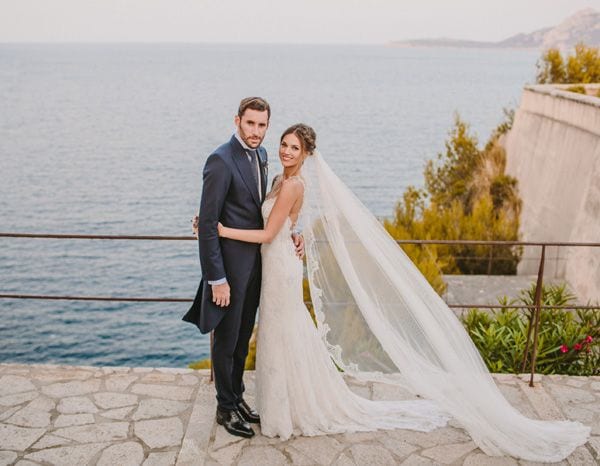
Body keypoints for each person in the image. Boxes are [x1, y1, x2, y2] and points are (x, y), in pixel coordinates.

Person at [216, 123, 591, 462]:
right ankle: (282, 404)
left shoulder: (295, 184)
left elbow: (267, 233)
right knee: (281, 332)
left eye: (294, 148)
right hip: (278, 259)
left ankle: (289, 409)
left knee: (285, 330)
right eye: (283, 144)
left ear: (307, 154)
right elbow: (283, 223)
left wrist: (220, 230)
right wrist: (294, 234)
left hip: (278, 265)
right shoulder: (280, 178)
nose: (285, 151)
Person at [182, 97, 303, 439]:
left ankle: (236, 398)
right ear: (237, 121)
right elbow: (208, 225)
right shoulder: (220, 160)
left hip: (257, 268)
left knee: (241, 339)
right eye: (250, 124)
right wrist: (216, 279)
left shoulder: (262, 156)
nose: (256, 131)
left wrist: (295, 233)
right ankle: (224, 408)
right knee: (225, 339)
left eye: (262, 125)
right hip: (230, 272)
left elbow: (265, 212)